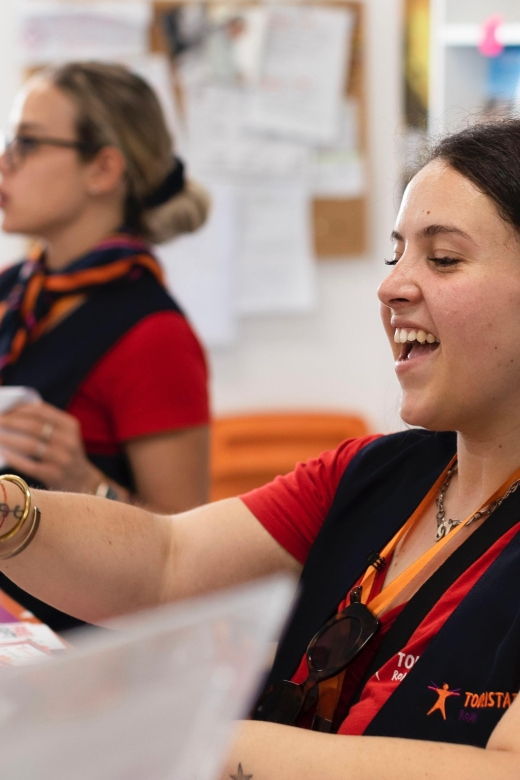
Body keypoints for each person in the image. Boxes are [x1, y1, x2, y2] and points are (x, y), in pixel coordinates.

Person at [1, 117, 520, 778]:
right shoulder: (370, 473)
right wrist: (8, 513)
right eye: (397, 256)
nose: (391, 287)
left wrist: (204, 740)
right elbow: (166, 562)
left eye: (442, 258)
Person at [0, 61, 210, 631]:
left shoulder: (154, 335)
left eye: (27, 143)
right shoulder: (13, 291)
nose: (4, 163)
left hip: (77, 657)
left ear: (103, 168)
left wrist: (79, 476)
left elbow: (189, 554)